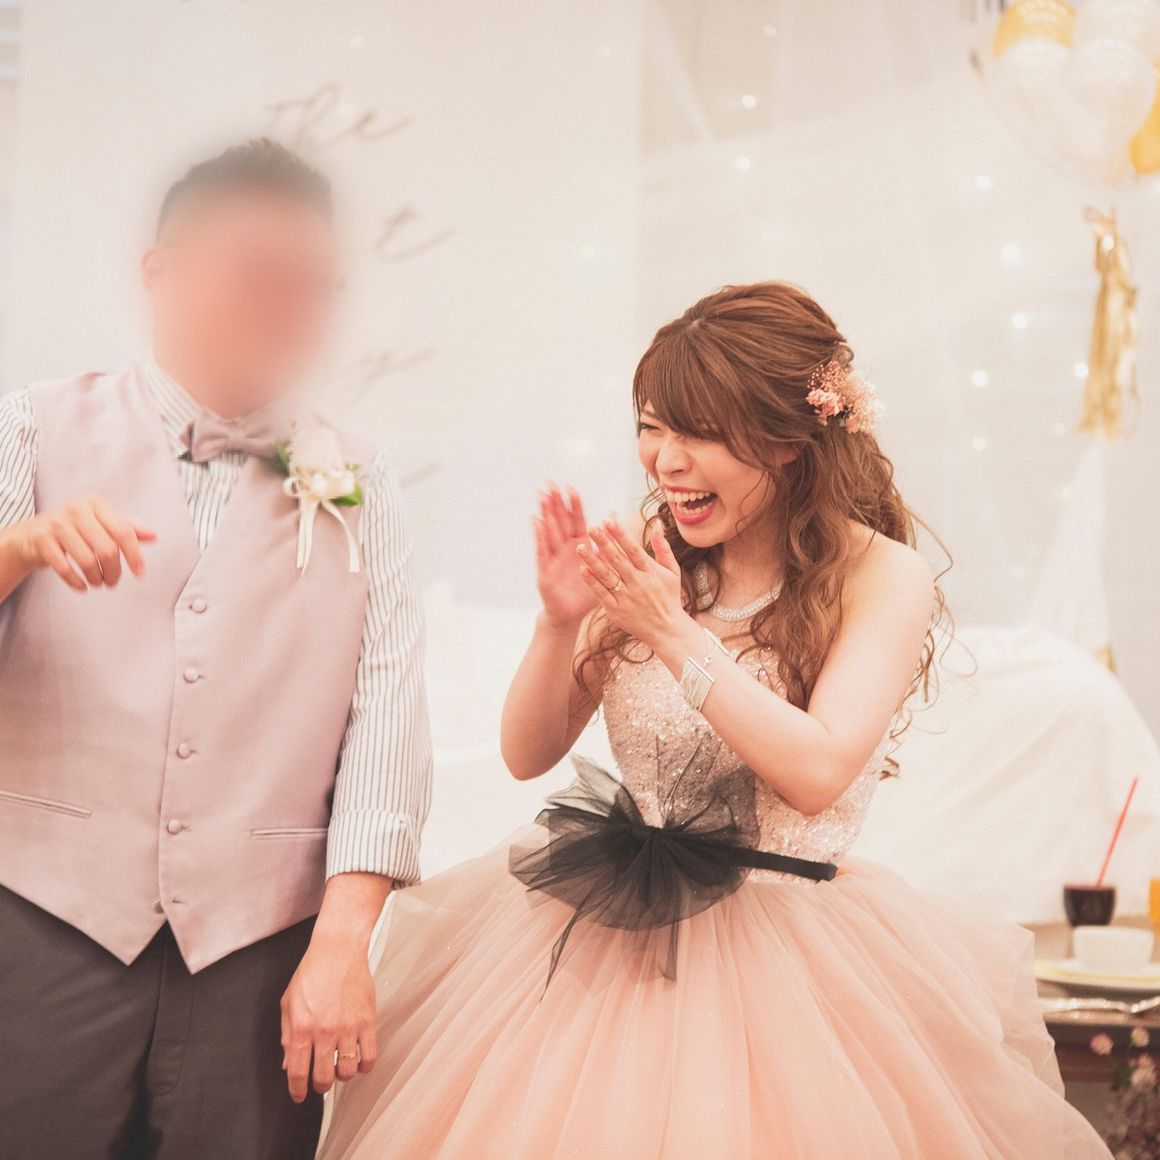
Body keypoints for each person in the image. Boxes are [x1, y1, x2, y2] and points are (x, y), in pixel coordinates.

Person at [320, 282, 1111, 1159]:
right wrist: (556, 623)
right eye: (651, 428)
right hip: (599, 949)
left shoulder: (880, 576)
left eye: (699, 434)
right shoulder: (651, 548)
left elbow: (816, 773)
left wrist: (670, 632)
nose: (665, 462)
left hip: (794, 962)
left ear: (788, 440)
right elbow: (526, 752)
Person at [0, 139, 432, 1159]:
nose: (287, 309)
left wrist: (343, 940)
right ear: (160, 271)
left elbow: (385, 721)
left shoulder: (362, 479)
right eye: (257, 275)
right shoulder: (32, 426)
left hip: (261, 953)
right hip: (41, 921)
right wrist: (18, 548)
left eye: (313, 285)